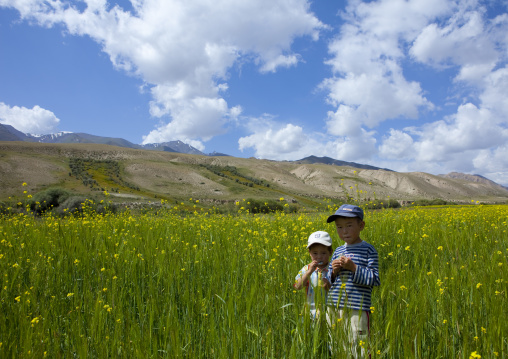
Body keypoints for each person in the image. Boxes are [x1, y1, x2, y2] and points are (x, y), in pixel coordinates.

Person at [325, 204, 380, 358]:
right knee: (336, 343)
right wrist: (334, 271)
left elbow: (374, 279)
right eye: (339, 227)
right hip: (334, 306)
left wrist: (354, 268)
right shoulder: (338, 251)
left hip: (358, 307)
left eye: (349, 226)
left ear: (361, 226)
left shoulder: (369, 250)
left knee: (358, 346)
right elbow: (328, 281)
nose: (344, 231)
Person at [294, 231, 333, 318]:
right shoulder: (306, 269)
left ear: (330, 252)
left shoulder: (333, 269)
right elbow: (297, 286)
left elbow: (340, 292)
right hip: (309, 314)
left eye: (323, 253)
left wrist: (329, 287)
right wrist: (309, 272)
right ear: (309, 252)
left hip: (329, 313)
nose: (319, 257)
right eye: (315, 253)